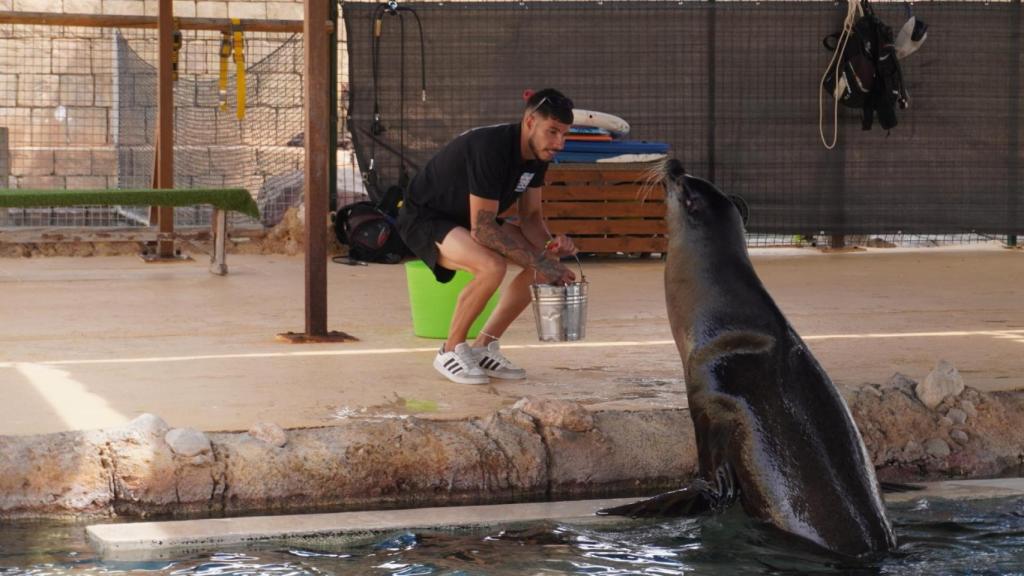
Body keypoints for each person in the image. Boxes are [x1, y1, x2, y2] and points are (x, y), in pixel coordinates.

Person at [397, 88, 578, 385]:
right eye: (553, 131)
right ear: (530, 122)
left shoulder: (538, 155)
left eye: (565, 134)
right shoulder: (491, 147)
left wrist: (551, 245)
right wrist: (542, 261)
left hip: (470, 219)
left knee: (545, 266)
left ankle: (483, 347)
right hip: (427, 217)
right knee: (492, 266)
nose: (560, 143)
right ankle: (450, 349)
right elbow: (482, 229)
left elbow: (531, 217)